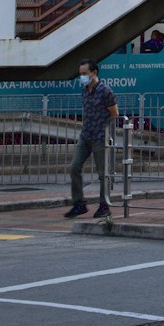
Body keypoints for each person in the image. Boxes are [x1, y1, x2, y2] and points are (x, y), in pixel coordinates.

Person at [64, 59, 118, 219]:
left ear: (94, 73)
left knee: (103, 173)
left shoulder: (105, 91)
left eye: (84, 74)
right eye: (80, 74)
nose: (81, 77)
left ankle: (104, 205)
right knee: (74, 167)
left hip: (100, 136)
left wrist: (106, 132)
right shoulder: (84, 90)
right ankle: (79, 203)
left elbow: (114, 114)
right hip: (86, 135)